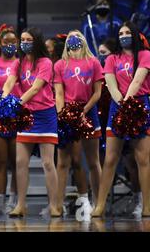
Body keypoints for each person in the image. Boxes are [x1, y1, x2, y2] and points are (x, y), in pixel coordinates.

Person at [92, 21, 150, 218]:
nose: (124, 35)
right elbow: (110, 84)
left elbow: (138, 80)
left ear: (134, 35)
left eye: (127, 32)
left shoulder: (145, 55)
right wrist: (122, 104)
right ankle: (99, 205)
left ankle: (147, 206)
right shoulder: (112, 59)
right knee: (110, 159)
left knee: (142, 159)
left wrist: (129, 104)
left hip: (139, 106)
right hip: (117, 107)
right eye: (121, 33)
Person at [1, 27, 61, 217]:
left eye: (28, 40)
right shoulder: (18, 62)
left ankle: (54, 205)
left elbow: (36, 89)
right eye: (23, 40)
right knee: (20, 162)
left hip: (45, 115)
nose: (24, 43)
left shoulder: (45, 62)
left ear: (37, 42)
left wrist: (16, 104)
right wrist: (3, 99)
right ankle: (20, 205)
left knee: (48, 163)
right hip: (26, 116)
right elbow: (10, 82)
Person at [53, 30, 103, 216]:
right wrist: (62, 114)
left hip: (89, 114)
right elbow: (59, 93)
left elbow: (97, 92)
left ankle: (98, 203)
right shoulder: (60, 64)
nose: (74, 39)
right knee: (63, 161)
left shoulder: (94, 62)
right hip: (67, 114)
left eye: (77, 36)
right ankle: (57, 205)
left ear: (83, 40)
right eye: (71, 37)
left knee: (93, 161)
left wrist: (84, 110)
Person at [0, 24, 20, 215]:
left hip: (18, 116)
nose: (10, 45)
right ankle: (0, 203)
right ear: (0, 44)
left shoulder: (23, 64)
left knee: (17, 162)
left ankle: (14, 201)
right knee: (0, 162)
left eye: (13, 42)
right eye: (6, 42)